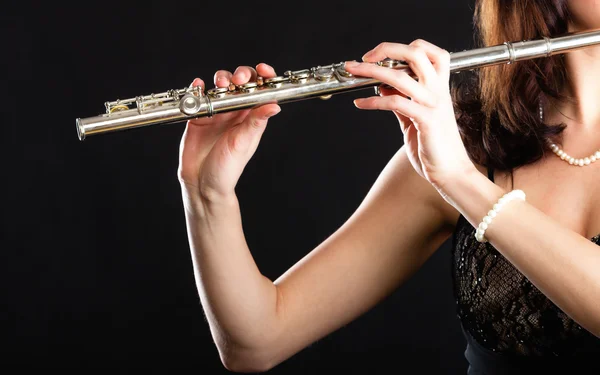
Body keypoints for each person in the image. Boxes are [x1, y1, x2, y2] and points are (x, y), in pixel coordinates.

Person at [177, 0, 600, 373]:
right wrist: (207, 195)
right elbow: (256, 341)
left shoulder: (456, 170)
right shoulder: (459, 151)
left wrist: (461, 182)